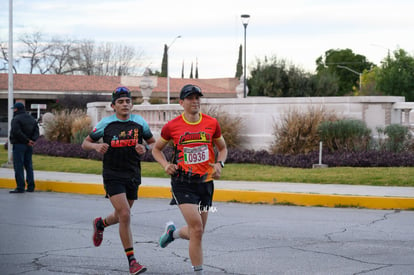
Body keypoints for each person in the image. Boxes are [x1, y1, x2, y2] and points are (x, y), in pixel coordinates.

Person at [151, 84, 228, 274]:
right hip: (183, 183)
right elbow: (156, 149)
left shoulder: (212, 123)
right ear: (181, 102)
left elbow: (223, 149)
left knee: (198, 232)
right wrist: (165, 165)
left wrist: (219, 164)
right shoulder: (172, 126)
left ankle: (173, 233)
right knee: (196, 228)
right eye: (190, 98)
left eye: (197, 98)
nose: (195, 101)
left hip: (206, 184)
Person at [82, 86, 155, 275]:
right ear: (113, 105)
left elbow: (153, 143)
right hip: (112, 174)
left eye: (128, 101)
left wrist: (145, 148)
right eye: (121, 102)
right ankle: (132, 261)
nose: (125, 104)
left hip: (132, 173)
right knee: (125, 214)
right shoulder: (106, 124)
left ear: (131, 104)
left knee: (122, 214)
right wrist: (96, 147)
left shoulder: (139, 123)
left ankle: (100, 224)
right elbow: (85, 143)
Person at [9, 102, 39, 193]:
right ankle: (31, 186)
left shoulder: (16, 119)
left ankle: (20, 187)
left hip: (19, 145)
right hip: (29, 146)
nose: (13, 110)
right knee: (29, 165)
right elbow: (36, 131)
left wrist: (26, 141)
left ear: (16, 109)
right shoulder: (31, 118)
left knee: (18, 166)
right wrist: (32, 140)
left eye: (14, 109)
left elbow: (16, 132)